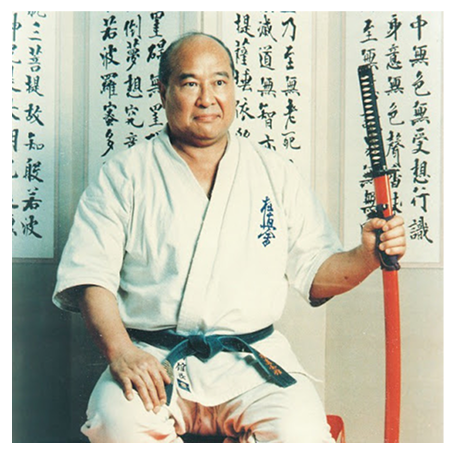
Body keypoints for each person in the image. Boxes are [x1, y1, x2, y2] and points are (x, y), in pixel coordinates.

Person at [53, 33, 406, 443]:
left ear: (234, 89)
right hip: (155, 359)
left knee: (301, 432)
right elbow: (91, 277)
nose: (207, 98)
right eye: (190, 83)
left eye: (219, 82)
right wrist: (122, 352)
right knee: (115, 423)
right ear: (163, 91)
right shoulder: (124, 175)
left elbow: (316, 273)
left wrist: (366, 256)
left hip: (252, 363)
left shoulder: (273, 171)